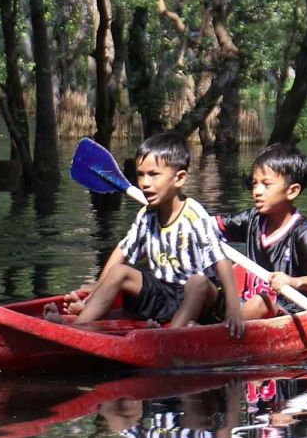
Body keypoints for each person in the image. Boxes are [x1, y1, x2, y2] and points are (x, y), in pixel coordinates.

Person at [54, 132, 244, 336]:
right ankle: (77, 328)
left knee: (196, 283)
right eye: (140, 174)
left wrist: (233, 308)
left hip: (201, 298)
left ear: (179, 179)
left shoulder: (194, 215)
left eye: (153, 174)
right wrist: (97, 289)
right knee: (119, 271)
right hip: (165, 293)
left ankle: (169, 337)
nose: (144, 183)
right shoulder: (147, 216)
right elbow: (123, 251)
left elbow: (220, 260)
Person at [215, 143, 307, 320]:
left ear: (292, 191)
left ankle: (215, 334)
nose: (256, 191)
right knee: (199, 285)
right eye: (254, 184)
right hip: (244, 306)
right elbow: (210, 225)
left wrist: (293, 281)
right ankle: (187, 327)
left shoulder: (300, 232)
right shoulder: (252, 218)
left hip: (281, 311)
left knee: (260, 302)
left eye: (266, 184)